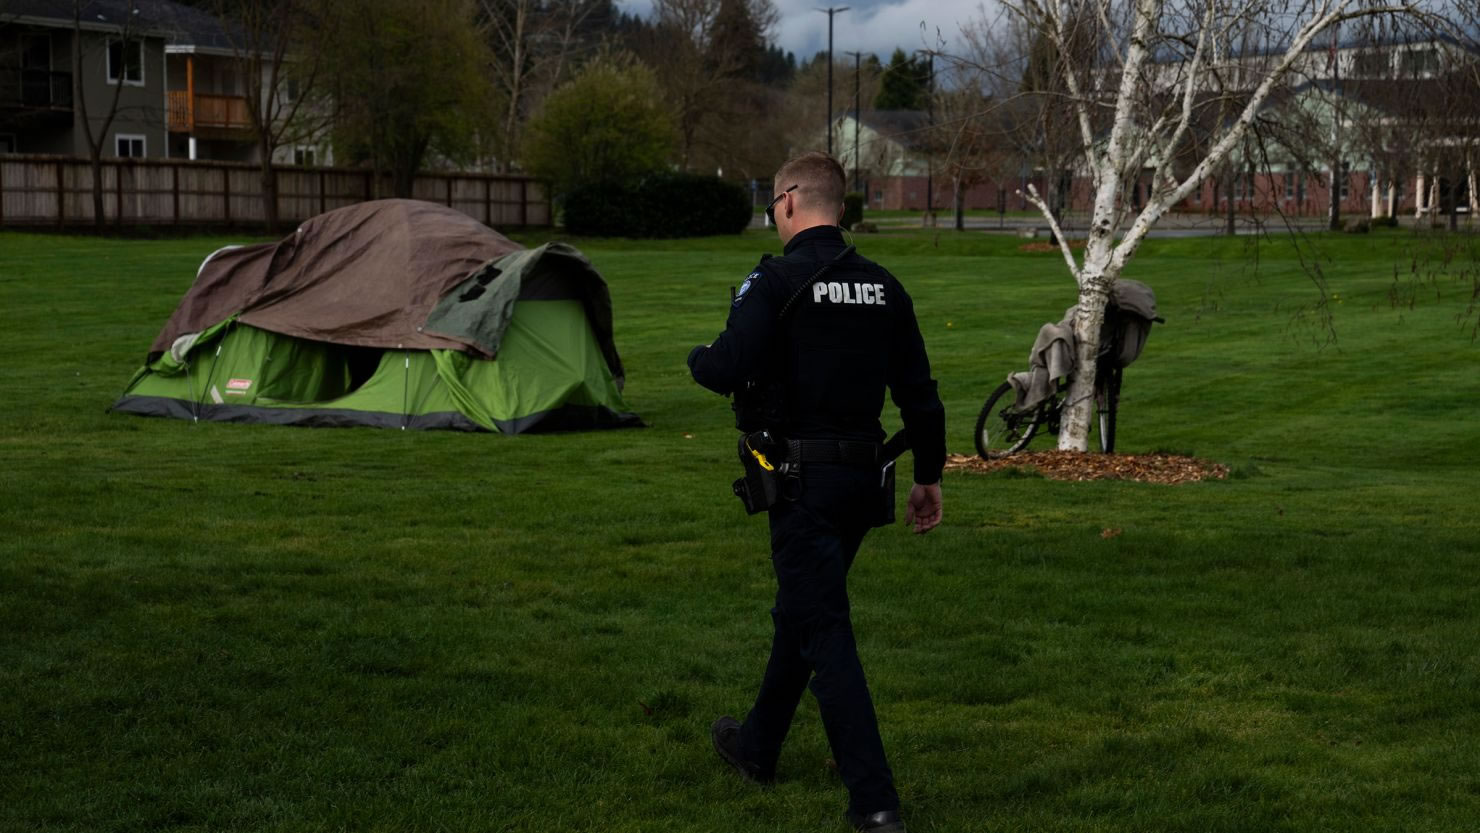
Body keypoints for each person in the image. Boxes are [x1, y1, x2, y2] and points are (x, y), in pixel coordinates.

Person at [687, 152, 946, 833]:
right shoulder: (886, 288)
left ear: (792, 202)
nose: (773, 217)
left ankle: (875, 800)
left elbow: (726, 365)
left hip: (800, 484)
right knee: (800, 614)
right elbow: (920, 396)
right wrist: (929, 476)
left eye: (772, 206)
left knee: (825, 628)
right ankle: (756, 748)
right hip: (863, 482)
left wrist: (697, 361)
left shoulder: (773, 281)